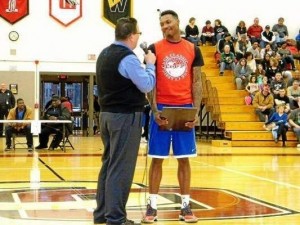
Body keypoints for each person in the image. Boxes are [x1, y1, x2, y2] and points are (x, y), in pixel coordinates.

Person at [142, 10, 204, 223]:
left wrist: (195, 111)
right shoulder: (154, 48)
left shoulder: (193, 49)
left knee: (184, 159)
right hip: (162, 108)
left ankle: (186, 207)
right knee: (157, 159)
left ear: (178, 22)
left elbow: (196, 82)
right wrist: (154, 109)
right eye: (162, 24)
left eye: (168, 22)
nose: (165, 26)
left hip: (185, 107)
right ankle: (152, 207)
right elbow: (151, 82)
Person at [93, 17, 156, 225]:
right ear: (131, 36)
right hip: (125, 117)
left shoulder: (104, 54)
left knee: (109, 164)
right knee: (121, 167)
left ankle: (102, 214)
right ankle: (116, 218)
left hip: (106, 116)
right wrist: (150, 65)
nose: (139, 36)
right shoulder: (127, 58)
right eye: (139, 33)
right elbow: (146, 85)